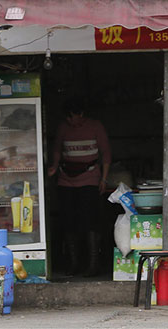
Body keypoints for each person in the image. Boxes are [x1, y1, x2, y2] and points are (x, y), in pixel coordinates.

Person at [48, 97, 112, 276]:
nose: (70, 121)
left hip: (89, 178)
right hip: (66, 179)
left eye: (73, 117)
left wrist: (104, 179)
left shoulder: (95, 126)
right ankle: (73, 263)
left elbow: (106, 153)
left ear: (81, 114)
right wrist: (54, 165)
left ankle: (93, 264)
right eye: (67, 118)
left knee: (90, 221)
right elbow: (57, 149)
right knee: (69, 221)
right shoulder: (63, 127)